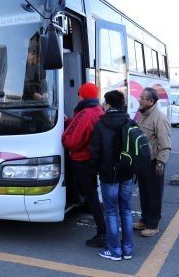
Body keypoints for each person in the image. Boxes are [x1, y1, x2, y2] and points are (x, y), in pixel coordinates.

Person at [90, 90, 135, 261]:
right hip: (127, 172)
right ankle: (127, 249)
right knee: (126, 210)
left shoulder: (101, 125)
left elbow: (95, 153)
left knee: (110, 212)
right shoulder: (130, 122)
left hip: (109, 174)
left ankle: (114, 250)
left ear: (108, 105)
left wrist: (92, 173)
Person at [62, 82, 106, 248]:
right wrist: (72, 121)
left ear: (83, 95)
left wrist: (65, 135)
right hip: (93, 160)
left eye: (79, 93)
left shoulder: (85, 113)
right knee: (93, 196)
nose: (77, 95)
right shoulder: (97, 110)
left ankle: (102, 233)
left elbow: (71, 141)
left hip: (82, 161)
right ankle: (104, 230)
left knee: (92, 197)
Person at [134, 87, 171, 237]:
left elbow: (165, 143)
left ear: (151, 101)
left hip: (154, 162)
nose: (139, 100)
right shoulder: (142, 114)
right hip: (143, 162)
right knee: (144, 193)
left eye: (142, 98)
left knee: (154, 194)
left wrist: (160, 163)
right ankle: (145, 219)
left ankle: (153, 224)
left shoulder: (159, 118)